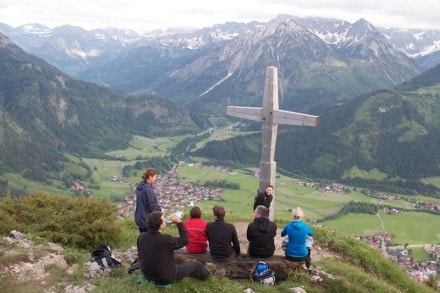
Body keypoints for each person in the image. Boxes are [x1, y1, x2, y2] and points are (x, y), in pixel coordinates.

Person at [137, 211, 218, 285]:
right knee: (197, 265)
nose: (165, 220)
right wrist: (179, 222)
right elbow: (185, 240)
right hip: (165, 277)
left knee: (176, 264)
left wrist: (159, 215)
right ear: (161, 224)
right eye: (163, 219)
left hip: (147, 274)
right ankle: (212, 277)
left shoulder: (141, 236)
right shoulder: (165, 239)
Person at [134, 168, 162, 233]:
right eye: (155, 177)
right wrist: (160, 210)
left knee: (143, 238)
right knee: (150, 240)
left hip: (140, 218)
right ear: (150, 177)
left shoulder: (140, 187)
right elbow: (152, 206)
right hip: (147, 220)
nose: (156, 179)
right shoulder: (148, 190)